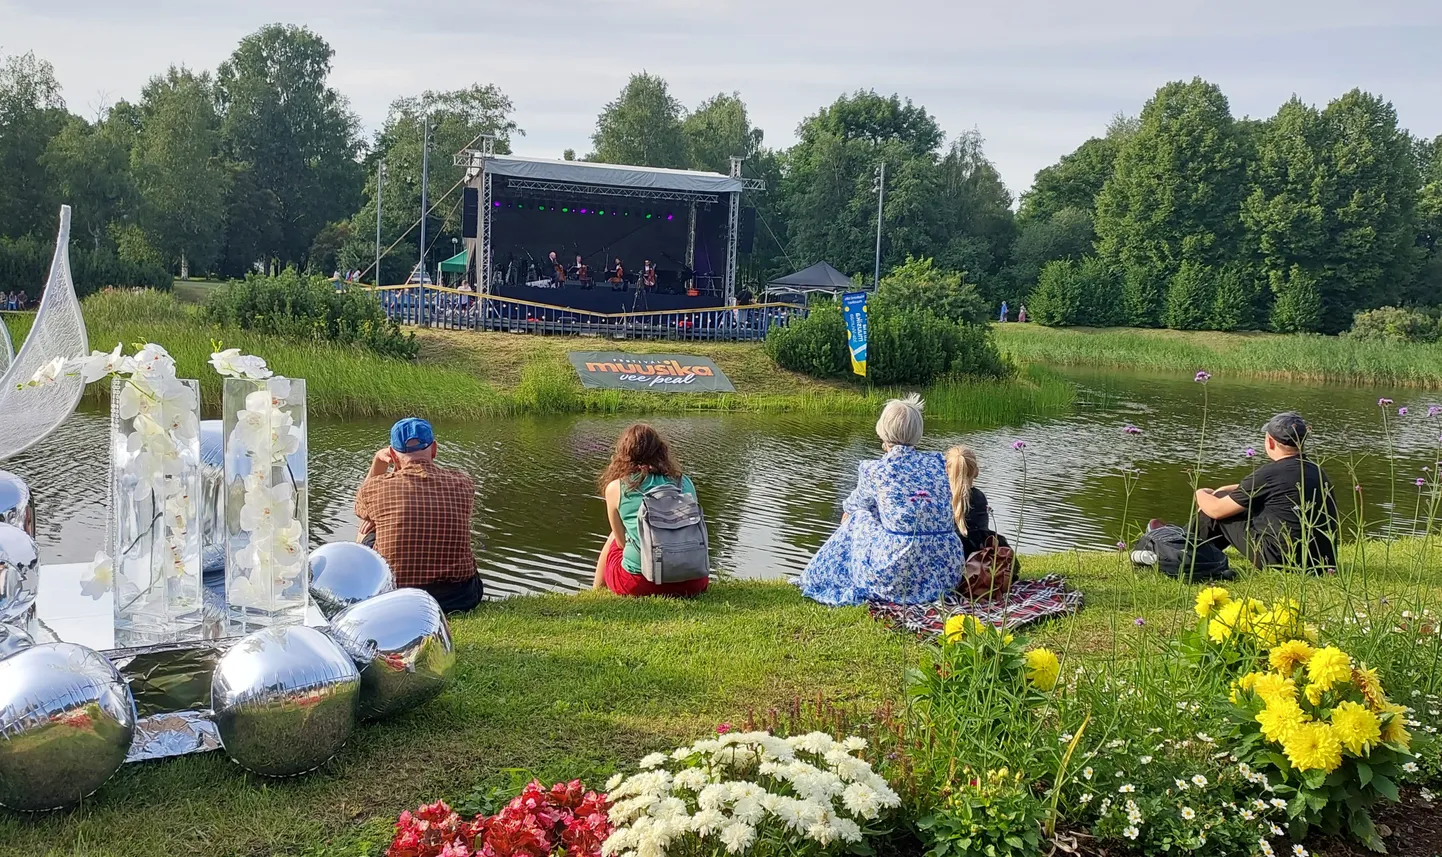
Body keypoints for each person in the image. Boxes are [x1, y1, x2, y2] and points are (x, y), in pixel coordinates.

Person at [798, 395, 966, 605]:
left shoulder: (875, 470)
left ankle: (826, 572)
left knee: (857, 515)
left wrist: (852, 512)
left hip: (895, 578)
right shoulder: (939, 462)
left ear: (883, 430)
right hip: (946, 572)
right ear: (918, 432)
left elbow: (853, 505)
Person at [354, 418, 484, 612]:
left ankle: (366, 585)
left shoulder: (375, 487)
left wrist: (378, 461)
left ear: (393, 455)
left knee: (366, 525)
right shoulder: (464, 483)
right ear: (434, 449)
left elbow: (360, 510)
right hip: (460, 596)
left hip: (394, 595)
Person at [1192, 411, 1339, 571]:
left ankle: (1183, 549)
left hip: (1281, 562)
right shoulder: (1316, 470)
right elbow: (1273, 489)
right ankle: (1194, 550)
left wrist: (1200, 492)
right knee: (1228, 500)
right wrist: (1224, 490)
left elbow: (1216, 510)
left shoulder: (1269, 474)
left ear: (1270, 442)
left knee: (1213, 511)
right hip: (1321, 562)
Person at [592, 424, 709, 597]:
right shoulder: (684, 482)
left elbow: (621, 544)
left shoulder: (616, 488)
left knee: (613, 538)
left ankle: (594, 590)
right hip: (693, 582)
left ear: (624, 453)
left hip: (639, 583)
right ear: (661, 450)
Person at [945, 445, 999, 556]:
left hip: (947, 557)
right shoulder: (979, 497)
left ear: (946, 470)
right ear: (976, 472)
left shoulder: (942, 497)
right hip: (976, 561)